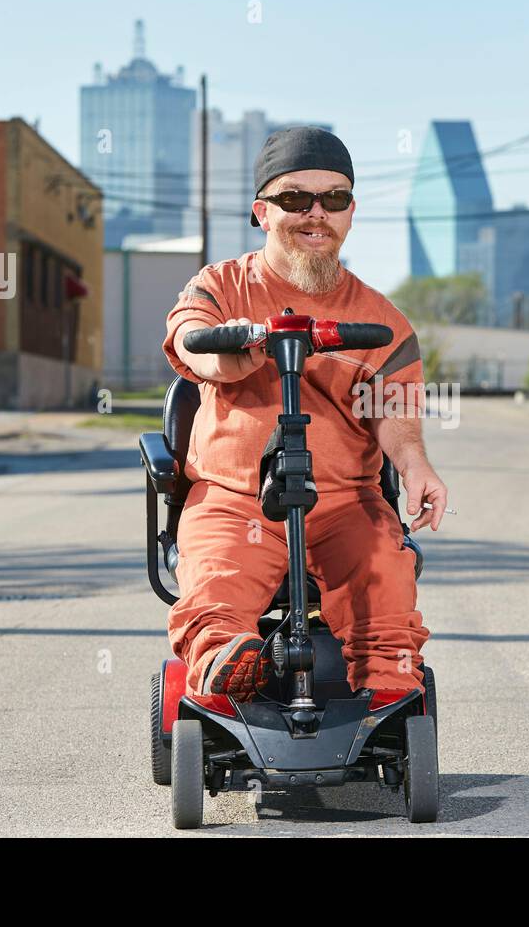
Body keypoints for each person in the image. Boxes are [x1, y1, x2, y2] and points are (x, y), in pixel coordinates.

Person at [162, 126, 448, 701]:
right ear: (262, 212)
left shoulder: (382, 320)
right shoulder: (221, 285)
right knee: (218, 581)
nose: (316, 213)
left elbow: (394, 410)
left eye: (334, 199)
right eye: (295, 199)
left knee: (383, 583)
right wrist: (238, 348)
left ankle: (388, 694)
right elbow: (190, 339)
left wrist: (417, 466)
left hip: (344, 501)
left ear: (349, 213)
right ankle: (227, 663)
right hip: (235, 497)